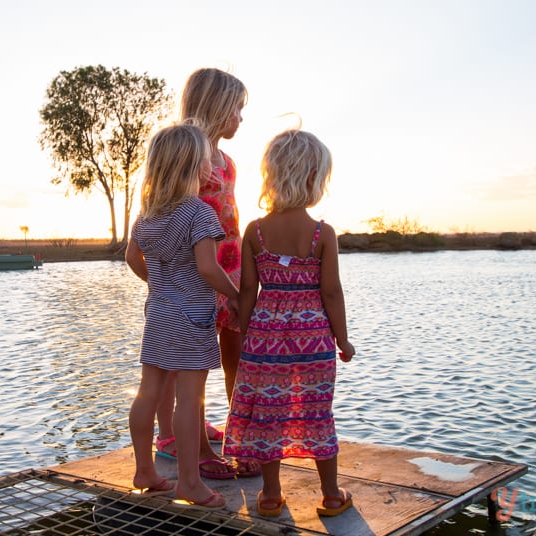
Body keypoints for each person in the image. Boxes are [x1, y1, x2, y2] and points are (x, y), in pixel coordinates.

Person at [222, 129, 356, 517]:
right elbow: (332, 293)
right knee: (315, 410)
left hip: (266, 338)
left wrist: (248, 336)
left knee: (268, 412)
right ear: (314, 179)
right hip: (313, 338)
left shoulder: (256, 232)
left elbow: (247, 291)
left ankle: (269, 496)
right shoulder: (322, 235)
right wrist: (342, 340)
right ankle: (331, 496)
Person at [126, 122, 239, 509]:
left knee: (149, 391)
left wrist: (159, 286)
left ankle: (144, 471)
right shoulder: (199, 213)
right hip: (192, 317)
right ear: (196, 166)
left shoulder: (147, 215)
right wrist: (236, 295)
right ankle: (189, 482)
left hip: (157, 314)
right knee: (189, 400)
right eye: (206, 160)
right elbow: (208, 269)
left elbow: (131, 258)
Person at [154, 67, 258, 478]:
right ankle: (178, 440)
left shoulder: (227, 161)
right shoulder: (185, 153)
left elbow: (232, 216)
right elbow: (164, 209)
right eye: (237, 108)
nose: (241, 117)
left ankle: (241, 432)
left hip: (228, 268)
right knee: (184, 363)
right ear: (217, 106)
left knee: (234, 350)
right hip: (193, 272)